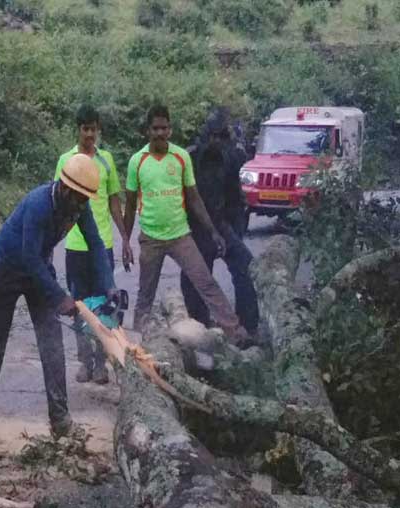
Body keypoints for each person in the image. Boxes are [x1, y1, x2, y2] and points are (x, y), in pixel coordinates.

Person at [0, 154, 116, 442]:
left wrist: (108, 284)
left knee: (52, 342)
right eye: (77, 199)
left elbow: (96, 244)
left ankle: (60, 420)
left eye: (85, 200)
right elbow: (28, 257)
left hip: (38, 265)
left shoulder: (80, 206)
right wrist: (59, 296)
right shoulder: (40, 204)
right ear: (64, 188)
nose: (81, 206)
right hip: (9, 267)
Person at [122, 104, 253, 348]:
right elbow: (129, 206)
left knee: (206, 283)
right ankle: (140, 345)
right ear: (147, 131)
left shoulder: (181, 157)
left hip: (181, 236)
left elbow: (193, 197)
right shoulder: (137, 162)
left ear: (170, 130)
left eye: (164, 128)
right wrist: (126, 242)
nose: (160, 133)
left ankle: (236, 334)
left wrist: (213, 232)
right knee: (145, 296)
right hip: (150, 239)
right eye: (155, 128)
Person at [54, 105, 128, 385]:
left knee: (105, 307)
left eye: (93, 129)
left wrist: (124, 238)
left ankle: (102, 364)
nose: (89, 134)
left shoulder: (106, 160)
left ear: (98, 130)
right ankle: (84, 362)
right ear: (78, 130)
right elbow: (57, 202)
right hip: (74, 246)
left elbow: (113, 201)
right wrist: (52, 242)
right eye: (84, 129)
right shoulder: (66, 160)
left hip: (103, 246)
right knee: (79, 306)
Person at [181, 109, 259, 336]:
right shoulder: (191, 157)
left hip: (222, 224)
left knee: (245, 265)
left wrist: (234, 231)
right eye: (212, 136)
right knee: (195, 276)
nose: (216, 141)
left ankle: (248, 324)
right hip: (196, 226)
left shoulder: (231, 156)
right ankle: (199, 324)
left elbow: (235, 196)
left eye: (220, 136)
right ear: (206, 136)